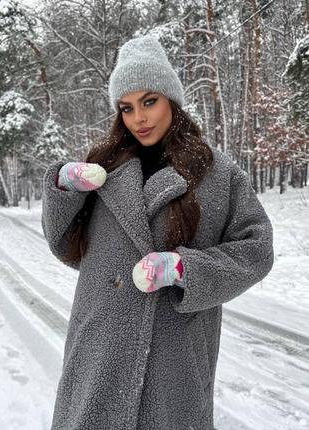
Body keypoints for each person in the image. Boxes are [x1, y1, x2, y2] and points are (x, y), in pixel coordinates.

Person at [41, 35, 274, 430]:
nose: (139, 118)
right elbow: (65, 245)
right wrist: (62, 189)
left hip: (176, 357)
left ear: (171, 99)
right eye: (126, 108)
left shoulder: (218, 174)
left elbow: (257, 250)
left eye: (149, 101)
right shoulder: (104, 167)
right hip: (98, 349)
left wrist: (185, 270)